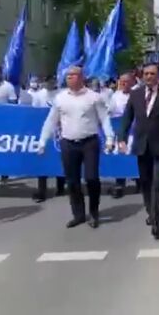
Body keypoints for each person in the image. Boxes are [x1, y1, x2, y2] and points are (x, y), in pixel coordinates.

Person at [38, 67, 114, 229]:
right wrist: (43, 141)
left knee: (92, 178)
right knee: (72, 181)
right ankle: (78, 215)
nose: (69, 78)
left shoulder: (94, 97)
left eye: (73, 75)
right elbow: (51, 121)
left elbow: (104, 118)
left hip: (89, 142)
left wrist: (110, 138)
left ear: (81, 78)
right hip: (68, 143)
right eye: (68, 76)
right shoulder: (60, 98)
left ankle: (93, 212)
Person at [118, 63, 159, 240]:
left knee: (158, 182)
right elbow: (127, 118)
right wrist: (122, 138)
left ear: (158, 75)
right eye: (146, 73)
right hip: (141, 145)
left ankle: (156, 221)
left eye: (152, 73)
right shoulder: (136, 94)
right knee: (145, 182)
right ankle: (150, 210)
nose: (148, 76)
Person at [32, 76, 65, 203]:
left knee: (59, 159)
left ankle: (61, 186)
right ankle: (41, 191)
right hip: (44, 130)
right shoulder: (39, 95)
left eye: (51, 81)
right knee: (43, 160)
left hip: (60, 131)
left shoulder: (62, 94)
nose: (49, 83)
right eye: (46, 81)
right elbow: (34, 112)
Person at [108, 73, 137, 198]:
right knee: (121, 156)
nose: (124, 84)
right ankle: (120, 184)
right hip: (121, 131)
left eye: (126, 81)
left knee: (136, 156)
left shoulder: (137, 95)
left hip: (135, 131)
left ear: (132, 83)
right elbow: (109, 112)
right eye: (122, 81)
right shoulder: (115, 96)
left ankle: (140, 182)